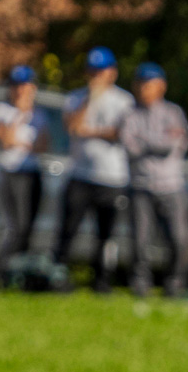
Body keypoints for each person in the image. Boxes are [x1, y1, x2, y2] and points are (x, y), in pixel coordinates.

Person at [55, 47, 135, 292]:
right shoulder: (76, 98)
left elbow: (121, 133)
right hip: (80, 174)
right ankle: (57, 276)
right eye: (92, 71)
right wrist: (90, 100)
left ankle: (101, 281)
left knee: (105, 233)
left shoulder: (124, 100)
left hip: (111, 177)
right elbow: (72, 127)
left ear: (112, 72)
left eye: (100, 71)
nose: (96, 76)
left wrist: (90, 132)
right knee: (67, 229)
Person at [120, 62, 188, 297]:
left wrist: (146, 142)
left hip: (171, 186)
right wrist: (157, 142)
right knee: (140, 241)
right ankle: (140, 284)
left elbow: (172, 144)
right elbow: (130, 147)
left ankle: (175, 283)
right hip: (140, 186)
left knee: (179, 238)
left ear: (161, 86)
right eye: (140, 84)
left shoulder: (174, 113)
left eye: (149, 84)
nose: (144, 89)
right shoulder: (129, 114)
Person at [0, 66, 49, 281]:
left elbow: (42, 146)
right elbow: (6, 140)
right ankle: (1, 271)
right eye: (16, 86)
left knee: (29, 226)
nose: (20, 91)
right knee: (16, 226)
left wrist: (22, 143)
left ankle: (20, 272)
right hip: (11, 172)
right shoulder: (2, 110)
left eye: (24, 86)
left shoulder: (40, 114)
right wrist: (21, 115)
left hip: (32, 172)